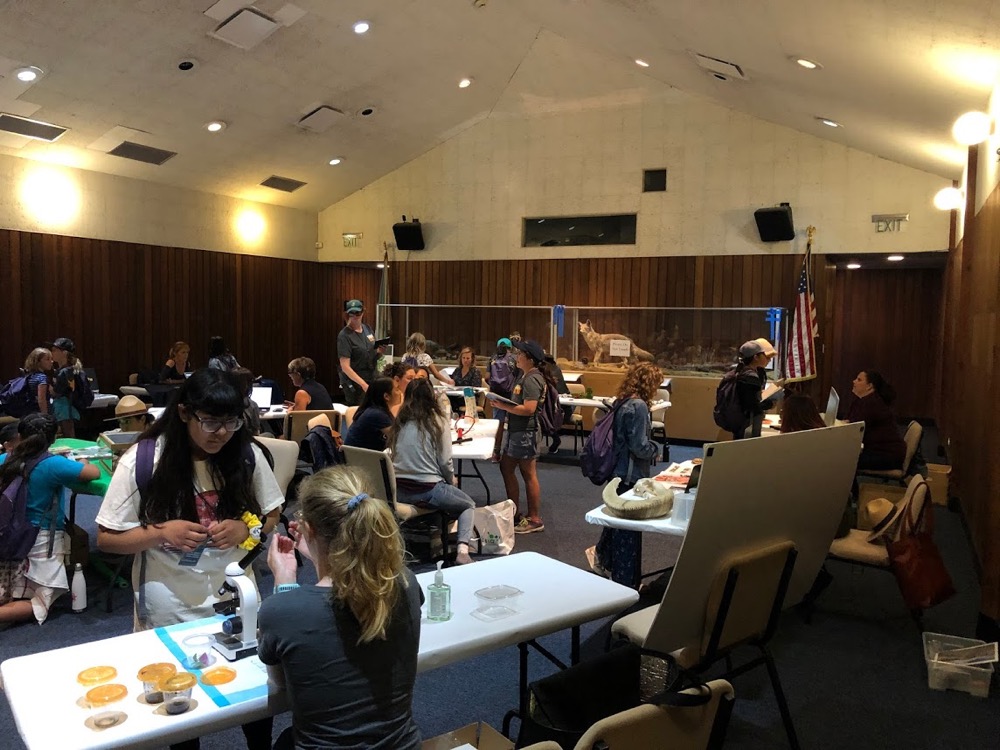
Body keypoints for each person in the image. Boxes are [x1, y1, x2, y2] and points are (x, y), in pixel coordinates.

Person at [96, 369, 283, 749]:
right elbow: (107, 538)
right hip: (170, 604)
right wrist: (160, 533)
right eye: (210, 421)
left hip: (237, 596)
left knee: (255, 699)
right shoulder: (144, 460)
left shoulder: (245, 453)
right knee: (180, 703)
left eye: (230, 422)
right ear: (184, 413)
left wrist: (247, 530)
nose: (221, 433)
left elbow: (272, 512)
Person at [258, 466, 422, 750]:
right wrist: (323, 559)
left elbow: (284, 681)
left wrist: (285, 582)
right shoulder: (405, 583)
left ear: (308, 529)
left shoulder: (283, 610)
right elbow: (350, 592)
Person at [0, 413, 100, 626]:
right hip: (39, 537)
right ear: (54, 438)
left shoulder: (6, 459)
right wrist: (81, 460)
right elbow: (93, 473)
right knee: (43, 600)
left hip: (7, 533)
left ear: (20, 435)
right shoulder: (53, 464)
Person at [585, 362, 662, 585]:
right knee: (628, 531)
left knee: (618, 522)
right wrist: (654, 450)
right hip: (631, 475)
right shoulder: (638, 406)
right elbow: (639, 446)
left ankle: (602, 556)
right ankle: (625, 582)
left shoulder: (624, 401)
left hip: (617, 472)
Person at [389, 379, 475, 564]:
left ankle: (435, 540)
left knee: (441, 494)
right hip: (427, 489)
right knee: (467, 504)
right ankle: (462, 551)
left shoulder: (400, 420)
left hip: (399, 490)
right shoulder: (438, 421)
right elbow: (445, 461)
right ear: (432, 396)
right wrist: (451, 479)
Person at [490, 339, 548, 534]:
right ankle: (515, 513)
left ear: (529, 359)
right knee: (509, 467)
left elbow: (529, 408)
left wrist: (503, 406)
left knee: (527, 473)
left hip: (526, 432)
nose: (517, 356)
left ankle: (534, 518)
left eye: (521, 354)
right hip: (519, 432)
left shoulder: (531, 379)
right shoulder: (526, 376)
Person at [848, 370, 906, 471]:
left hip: (886, 456)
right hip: (877, 451)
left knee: (844, 461)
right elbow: (850, 421)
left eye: (859, 380)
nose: (854, 381)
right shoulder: (863, 400)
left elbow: (855, 429)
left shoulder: (872, 404)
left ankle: (849, 487)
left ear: (869, 386)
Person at [729, 340, 777, 440]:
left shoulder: (741, 371)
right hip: (748, 421)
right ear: (756, 357)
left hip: (739, 419)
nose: (768, 360)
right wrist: (770, 403)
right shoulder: (750, 378)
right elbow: (751, 405)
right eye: (765, 356)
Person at [337, 299, 380, 406]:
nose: (355, 316)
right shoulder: (344, 336)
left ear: (363, 312)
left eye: (358, 313)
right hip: (355, 381)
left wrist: (380, 352)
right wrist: (363, 385)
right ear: (347, 314)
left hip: (371, 376)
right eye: (352, 313)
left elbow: (373, 355)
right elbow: (345, 367)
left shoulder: (367, 329)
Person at [486, 338, 519, 462]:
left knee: (498, 424)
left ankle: (496, 453)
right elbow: (519, 375)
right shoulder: (514, 358)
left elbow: (487, 377)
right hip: (511, 394)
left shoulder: (492, 358)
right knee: (513, 423)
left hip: (496, 394)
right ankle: (511, 453)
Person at [345, 378, 395, 451]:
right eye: (397, 390)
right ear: (386, 396)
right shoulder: (377, 414)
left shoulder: (375, 410)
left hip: (363, 456)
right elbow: (398, 439)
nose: (400, 392)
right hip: (359, 459)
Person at [50, 338, 84, 438]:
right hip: (67, 408)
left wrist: (49, 388)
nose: (52, 353)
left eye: (54, 350)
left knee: (69, 437)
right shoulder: (70, 369)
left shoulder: (64, 372)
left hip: (66, 409)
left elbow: (57, 392)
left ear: (64, 353)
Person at [21, 347, 53, 416]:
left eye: (51, 359)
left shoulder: (29, 375)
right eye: (47, 359)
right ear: (37, 361)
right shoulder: (42, 378)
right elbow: (41, 400)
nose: (51, 361)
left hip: (29, 411)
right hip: (39, 413)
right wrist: (45, 416)